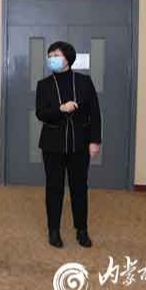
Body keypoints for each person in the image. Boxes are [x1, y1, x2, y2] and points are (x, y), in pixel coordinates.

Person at [36, 41, 101, 249]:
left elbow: (94, 113)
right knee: (54, 188)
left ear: (68, 58)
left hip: (79, 145)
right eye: (50, 55)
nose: (52, 59)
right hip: (52, 145)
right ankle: (53, 230)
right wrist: (61, 109)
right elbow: (41, 113)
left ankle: (81, 230)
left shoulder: (84, 81)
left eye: (56, 55)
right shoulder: (43, 84)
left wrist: (95, 141)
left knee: (79, 188)